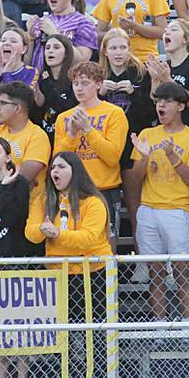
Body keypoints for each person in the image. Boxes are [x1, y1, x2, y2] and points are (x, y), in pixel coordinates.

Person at [24, 151, 112, 377]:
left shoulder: (93, 202)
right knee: (62, 333)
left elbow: (89, 238)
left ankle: (99, 373)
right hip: (57, 276)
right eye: (53, 167)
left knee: (96, 333)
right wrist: (42, 230)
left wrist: (58, 235)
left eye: (61, 167)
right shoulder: (43, 200)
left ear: (76, 171)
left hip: (94, 274)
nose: (55, 171)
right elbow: (31, 233)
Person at [129, 82, 189, 326]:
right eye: (158, 101)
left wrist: (173, 156)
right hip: (149, 209)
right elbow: (136, 176)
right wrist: (143, 155)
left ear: (181, 106)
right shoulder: (146, 134)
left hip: (178, 209)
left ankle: (187, 325)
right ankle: (160, 325)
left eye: (167, 101)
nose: (160, 105)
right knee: (156, 273)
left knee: (182, 271)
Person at [146, 20, 189, 281]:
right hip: (163, 138)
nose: (167, 33)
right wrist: (156, 80)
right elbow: (155, 100)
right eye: (166, 30)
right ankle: (169, 261)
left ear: (187, 38)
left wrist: (168, 79)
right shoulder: (160, 63)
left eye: (173, 29)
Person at [99, 28, 156, 281]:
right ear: (105, 51)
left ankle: (141, 260)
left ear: (129, 49)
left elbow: (150, 113)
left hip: (133, 143)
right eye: (113, 48)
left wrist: (135, 93)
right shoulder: (99, 74)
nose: (118, 53)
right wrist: (100, 93)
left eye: (122, 47)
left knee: (136, 207)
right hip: (105, 147)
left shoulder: (139, 74)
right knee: (104, 210)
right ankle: (102, 262)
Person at [54, 61, 128, 249]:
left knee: (107, 242)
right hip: (72, 191)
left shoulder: (114, 113)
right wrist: (71, 134)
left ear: (98, 84)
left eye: (85, 83)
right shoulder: (63, 117)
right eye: (76, 83)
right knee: (72, 241)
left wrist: (88, 129)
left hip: (104, 189)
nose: (79, 88)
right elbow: (57, 161)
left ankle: (108, 278)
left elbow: (112, 156)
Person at [0, 82, 51, 202]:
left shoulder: (37, 136)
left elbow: (23, 178)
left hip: (27, 209)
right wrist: (12, 174)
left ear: (17, 108)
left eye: (2, 103)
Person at [27, 0, 98, 68]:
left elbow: (82, 61)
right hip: (38, 80)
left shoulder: (84, 23)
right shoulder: (42, 21)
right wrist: (30, 38)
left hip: (67, 80)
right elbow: (27, 63)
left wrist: (55, 34)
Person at [32, 34, 77, 141]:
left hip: (66, 138)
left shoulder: (74, 81)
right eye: (47, 48)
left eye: (56, 47)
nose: (50, 51)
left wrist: (48, 87)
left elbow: (67, 109)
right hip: (45, 139)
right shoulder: (43, 80)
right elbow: (36, 118)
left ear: (66, 53)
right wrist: (39, 102)